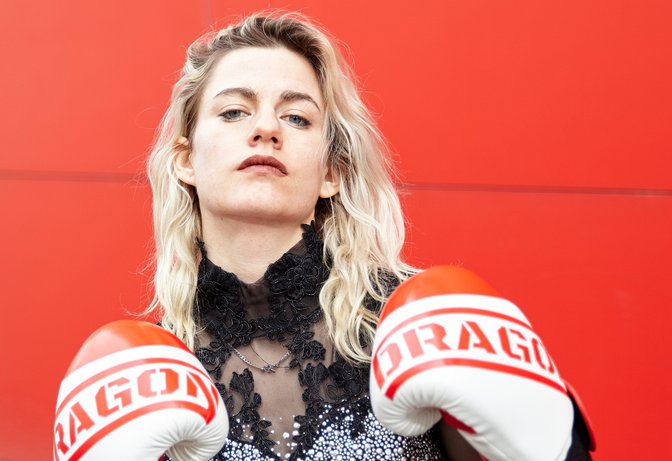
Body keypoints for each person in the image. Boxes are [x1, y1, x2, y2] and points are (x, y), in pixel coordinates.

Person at [144, 11, 593, 461]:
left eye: (297, 117)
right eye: (234, 112)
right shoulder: (148, 375)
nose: (266, 129)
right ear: (186, 160)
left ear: (331, 172)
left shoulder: (423, 324)